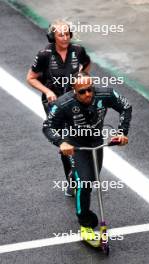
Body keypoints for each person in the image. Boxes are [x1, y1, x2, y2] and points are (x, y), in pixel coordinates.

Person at [42, 73, 132, 238]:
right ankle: (85, 223)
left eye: (90, 89)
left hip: (96, 142)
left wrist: (122, 132)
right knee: (84, 184)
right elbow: (47, 126)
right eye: (82, 91)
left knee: (92, 179)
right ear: (74, 91)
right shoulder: (63, 103)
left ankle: (72, 176)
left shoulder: (106, 94)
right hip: (75, 145)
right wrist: (61, 143)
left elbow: (125, 106)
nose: (88, 94)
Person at [26, 20, 91, 186]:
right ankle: (71, 180)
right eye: (60, 34)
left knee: (80, 135)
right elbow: (31, 78)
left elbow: (87, 64)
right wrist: (47, 92)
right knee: (65, 141)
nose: (65, 38)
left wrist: (82, 82)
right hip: (54, 103)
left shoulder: (78, 51)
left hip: (74, 100)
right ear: (52, 37)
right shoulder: (44, 55)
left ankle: (83, 173)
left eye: (67, 34)